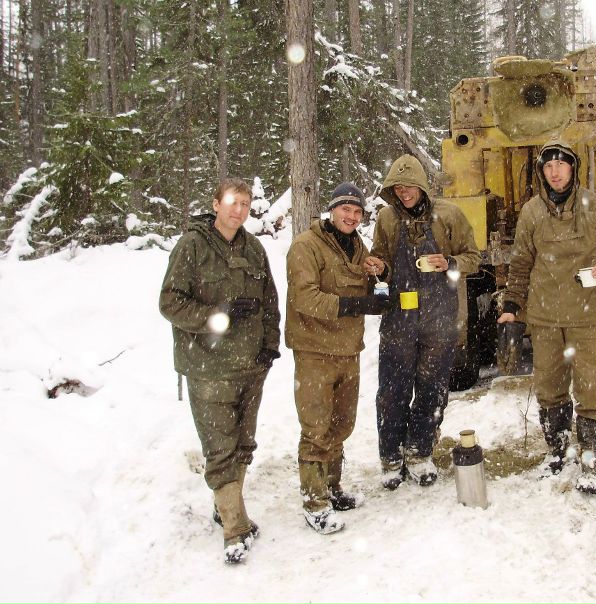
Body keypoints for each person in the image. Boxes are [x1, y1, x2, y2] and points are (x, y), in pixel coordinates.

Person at [159, 177, 280, 563]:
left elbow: (271, 303)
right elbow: (169, 302)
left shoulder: (254, 248)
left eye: (245, 204)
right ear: (216, 204)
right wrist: (216, 316)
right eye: (232, 202)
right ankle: (234, 528)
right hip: (209, 368)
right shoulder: (192, 247)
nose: (238, 210)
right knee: (221, 448)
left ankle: (226, 504)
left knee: (244, 445)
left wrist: (270, 347)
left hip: (250, 367)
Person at [498, 140, 596, 495]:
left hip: (588, 316)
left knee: (590, 390)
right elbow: (521, 263)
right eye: (548, 166)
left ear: (573, 168)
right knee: (550, 388)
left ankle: (592, 461)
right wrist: (511, 305)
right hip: (545, 317)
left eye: (561, 164)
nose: (554, 171)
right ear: (542, 172)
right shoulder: (532, 212)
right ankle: (556, 452)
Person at [364, 154, 481, 489]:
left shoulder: (449, 215)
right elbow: (383, 258)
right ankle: (391, 456)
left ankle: (420, 452)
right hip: (398, 321)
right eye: (397, 187)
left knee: (431, 391)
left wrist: (450, 262)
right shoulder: (386, 219)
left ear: (422, 186)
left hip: (439, 321)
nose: (404, 192)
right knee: (391, 392)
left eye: (409, 186)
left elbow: (474, 258)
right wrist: (379, 268)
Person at [286, 182, 389, 534]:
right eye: (346, 209)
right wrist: (355, 305)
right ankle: (314, 503)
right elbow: (305, 298)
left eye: (358, 212)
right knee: (316, 428)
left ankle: (332, 488)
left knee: (342, 424)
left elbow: (368, 284)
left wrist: (380, 274)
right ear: (332, 210)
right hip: (315, 351)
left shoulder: (357, 247)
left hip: (348, 350)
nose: (352, 216)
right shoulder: (305, 246)